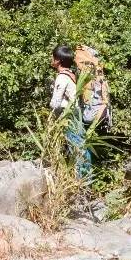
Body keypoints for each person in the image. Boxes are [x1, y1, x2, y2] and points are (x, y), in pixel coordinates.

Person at [50, 44, 91, 178]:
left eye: (53, 57)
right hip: (76, 115)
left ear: (58, 60)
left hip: (69, 117)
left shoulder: (62, 77)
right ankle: (85, 181)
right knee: (81, 148)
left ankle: (81, 183)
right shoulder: (72, 75)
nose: (51, 59)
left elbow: (55, 103)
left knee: (77, 150)